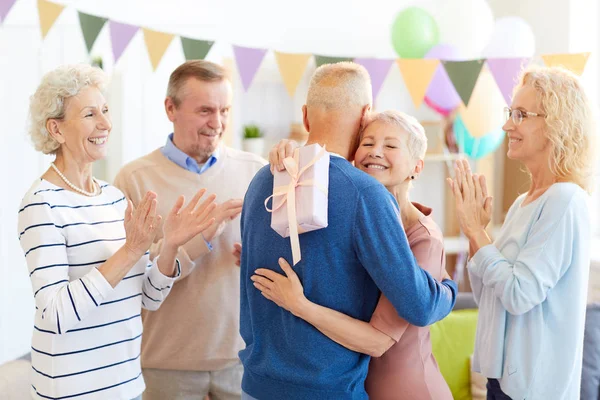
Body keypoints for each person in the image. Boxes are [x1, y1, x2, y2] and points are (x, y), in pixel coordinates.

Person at [238, 62, 457, 400]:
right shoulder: (364, 193)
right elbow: (419, 306)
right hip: (327, 390)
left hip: (257, 386)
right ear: (365, 114)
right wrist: (448, 289)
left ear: (306, 115)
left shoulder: (261, 180)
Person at [18, 63, 217, 400]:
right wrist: (130, 251)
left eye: (106, 111)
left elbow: (148, 299)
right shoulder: (41, 204)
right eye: (90, 114)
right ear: (56, 129)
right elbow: (54, 314)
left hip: (125, 385)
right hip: (72, 390)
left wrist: (169, 245)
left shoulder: (113, 197)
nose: (106, 124)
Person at [114, 60, 266, 400]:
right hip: (166, 363)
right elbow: (130, 274)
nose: (218, 123)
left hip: (242, 359)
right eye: (205, 111)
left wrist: (261, 258)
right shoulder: (135, 179)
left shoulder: (256, 171)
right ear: (171, 108)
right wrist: (202, 236)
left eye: (224, 110)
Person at [447, 66, 595, 399]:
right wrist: (476, 234)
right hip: (502, 382)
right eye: (509, 113)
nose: (506, 125)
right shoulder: (522, 203)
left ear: (557, 124)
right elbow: (490, 294)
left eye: (520, 115)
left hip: (533, 390)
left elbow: (518, 294)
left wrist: (476, 232)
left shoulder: (565, 200)